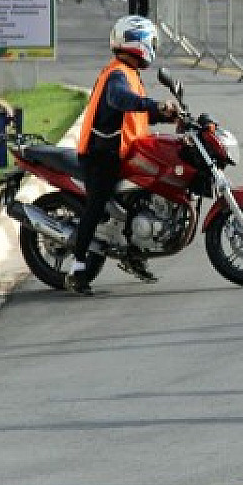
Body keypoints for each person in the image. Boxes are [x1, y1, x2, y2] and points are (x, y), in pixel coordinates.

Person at [66, 16, 178, 295]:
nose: (154, 47)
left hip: (123, 153)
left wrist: (169, 116)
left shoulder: (130, 75)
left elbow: (137, 113)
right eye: (151, 42)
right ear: (137, 43)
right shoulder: (117, 74)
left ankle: (134, 251)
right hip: (100, 156)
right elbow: (119, 100)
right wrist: (154, 104)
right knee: (96, 205)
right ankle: (77, 268)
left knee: (142, 196)